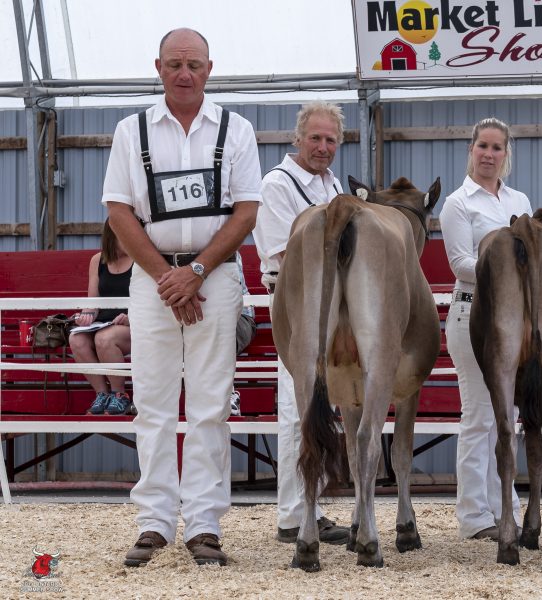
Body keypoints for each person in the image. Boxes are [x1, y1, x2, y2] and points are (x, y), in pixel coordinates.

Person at [102, 28, 262, 568]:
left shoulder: (236, 130)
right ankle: (154, 521)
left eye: (194, 64)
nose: (185, 73)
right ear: (159, 67)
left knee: (211, 402)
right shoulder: (132, 130)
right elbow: (118, 211)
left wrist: (195, 272)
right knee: (152, 400)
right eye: (175, 64)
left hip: (212, 277)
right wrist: (168, 280)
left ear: (209, 69)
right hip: (154, 281)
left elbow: (246, 211)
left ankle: (204, 525)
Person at [252, 101, 350, 546]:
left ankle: (313, 507)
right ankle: (292, 515)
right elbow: (283, 254)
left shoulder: (335, 186)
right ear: (298, 138)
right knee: (296, 410)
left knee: (322, 407)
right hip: (294, 304)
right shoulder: (277, 184)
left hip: (334, 307)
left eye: (330, 139)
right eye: (315, 138)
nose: (322, 147)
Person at [440, 117, 532, 541]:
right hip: (472, 312)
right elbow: (460, 263)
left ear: (506, 154)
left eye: (497, 148)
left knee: (507, 417)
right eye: (483, 146)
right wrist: (508, 271)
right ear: (471, 149)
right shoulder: (458, 203)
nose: (489, 155)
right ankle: (474, 516)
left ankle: (505, 508)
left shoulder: (519, 200)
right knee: (479, 416)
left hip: (512, 318)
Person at [70, 219, 135, 416]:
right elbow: (93, 303)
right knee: (76, 338)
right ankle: (102, 393)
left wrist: (131, 316)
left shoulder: (140, 259)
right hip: (104, 322)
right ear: (112, 236)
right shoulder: (97, 260)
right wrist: (85, 317)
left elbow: (151, 300)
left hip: (133, 322)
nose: (131, 239)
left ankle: (119, 395)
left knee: (104, 338)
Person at [230, 252, 257, 417]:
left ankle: (227, 393)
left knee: (219, 327)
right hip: (196, 318)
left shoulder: (225, 248)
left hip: (241, 317)